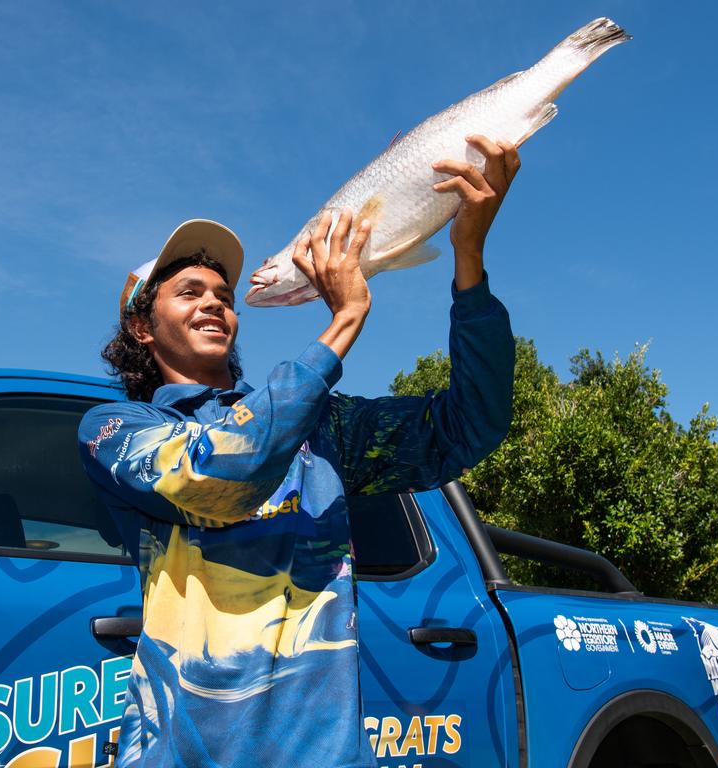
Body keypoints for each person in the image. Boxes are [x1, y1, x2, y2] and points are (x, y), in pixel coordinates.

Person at [79, 136, 520, 767]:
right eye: (189, 292)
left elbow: (471, 424)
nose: (214, 303)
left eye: (223, 297)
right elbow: (214, 474)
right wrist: (342, 324)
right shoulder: (115, 428)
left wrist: (468, 261)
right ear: (142, 328)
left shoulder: (321, 427)